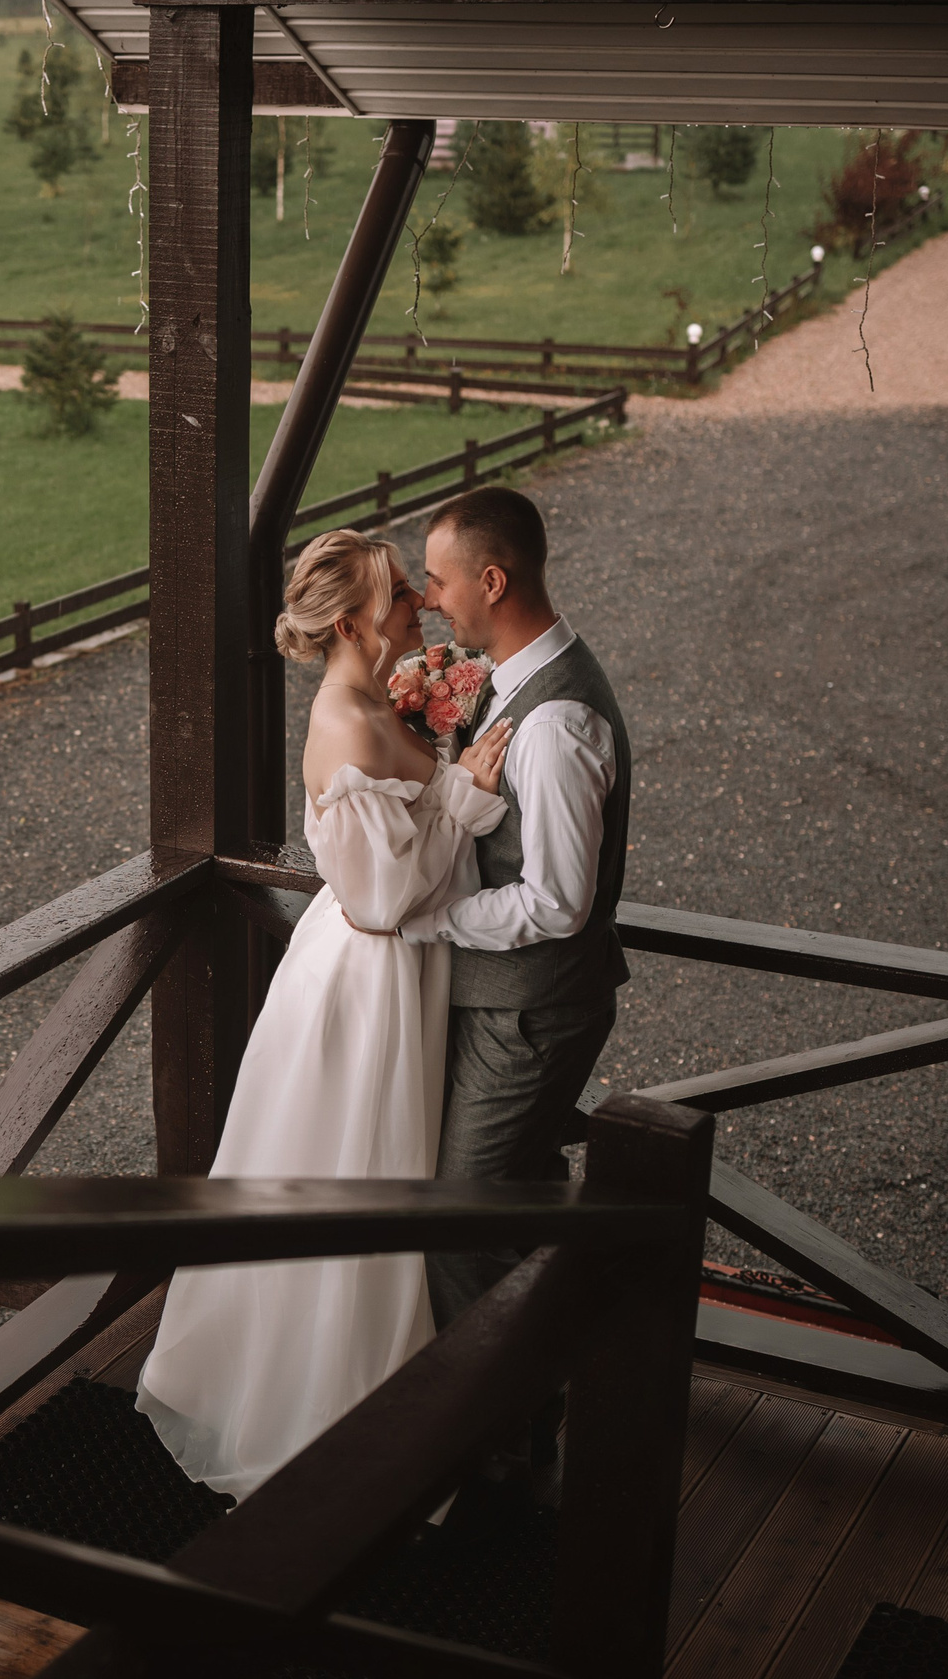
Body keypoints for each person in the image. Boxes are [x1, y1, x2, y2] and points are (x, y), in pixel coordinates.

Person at [135, 530, 513, 1502]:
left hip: (399, 971)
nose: (417, 605)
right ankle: (332, 1427)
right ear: (350, 623)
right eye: (400, 594)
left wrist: (445, 756)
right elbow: (380, 901)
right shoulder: (344, 723)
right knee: (359, 1182)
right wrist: (467, 801)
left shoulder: (381, 699)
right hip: (368, 983)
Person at [403, 487, 632, 1428]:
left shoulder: (555, 724)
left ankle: (500, 1432)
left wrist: (432, 918)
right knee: (527, 1202)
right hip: (510, 1003)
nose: (429, 599)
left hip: (528, 1014)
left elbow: (557, 903)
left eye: (439, 580)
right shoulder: (513, 679)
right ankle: (554, 1389)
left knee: (457, 1220)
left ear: (491, 582)